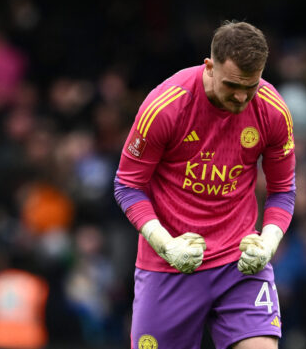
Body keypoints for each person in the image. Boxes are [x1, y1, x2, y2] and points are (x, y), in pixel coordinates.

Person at [114, 21, 295, 349]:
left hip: (239, 264)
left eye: (250, 86)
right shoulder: (166, 106)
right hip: (171, 265)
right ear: (209, 67)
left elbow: (283, 190)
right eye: (231, 85)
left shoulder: (272, 110)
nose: (241, 97)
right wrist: (167, 245)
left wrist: (268, 243)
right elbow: (128, 185)